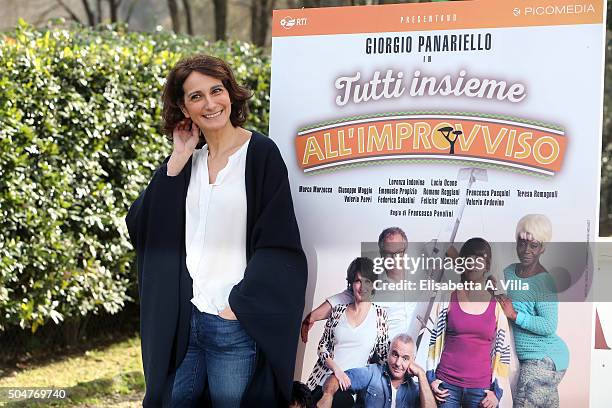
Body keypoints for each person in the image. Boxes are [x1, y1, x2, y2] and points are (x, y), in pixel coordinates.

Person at [125, 54, 307, 407]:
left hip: (232, 323)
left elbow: (278, 243)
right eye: (196, 96)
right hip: (185, 320)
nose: (210, 103)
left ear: (230, 93)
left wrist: (237, 306)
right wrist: (177, 157)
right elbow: (142, 227)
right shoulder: (188, 162)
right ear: (183, 106)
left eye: (216, 90)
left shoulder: (260, 155)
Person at [426, 238, 512, 408]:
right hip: (446, 386)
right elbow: (433, 340)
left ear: (486, 265)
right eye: (468, 259)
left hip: (480, 391)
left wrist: (497, 392)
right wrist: (432, 378)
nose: (473, 264)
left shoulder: (496, 306)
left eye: (479, 259)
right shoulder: (447, 298)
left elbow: (504, 351)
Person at [497, 214, 569, 408]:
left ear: (543, 248)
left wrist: (515, 315)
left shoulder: (544, 282)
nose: (526, 250)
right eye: (521, 243)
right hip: (529, 359)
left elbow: (548, 325)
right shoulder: (509, 272)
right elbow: (496, 290)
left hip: (543, 358)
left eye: (533, 245)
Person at [302, 227, 419, 342]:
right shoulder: (373, 282)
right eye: (388, 253)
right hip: (387, 355)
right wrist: (312, 317)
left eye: (398, 252)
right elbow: (344, 298)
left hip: (416, 352)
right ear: (381, 254)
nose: (394, 258)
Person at [307, 257, 389, 407]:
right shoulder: (338, 311)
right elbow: (322, 347)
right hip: (322, 379)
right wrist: (337, 370)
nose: (362, 286)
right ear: (351, 283)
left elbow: (384, 357)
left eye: (367, 281)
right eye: (358, 281)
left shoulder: (379, 316)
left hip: (349, 386)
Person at [317, 334, 436, 408]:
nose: (398, 363)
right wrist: (327, 396)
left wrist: (421, 374)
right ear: (388, 353)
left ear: (413, 361)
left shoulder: (416, 390)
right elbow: (336, 378)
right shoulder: (372, 373)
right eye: (395, 354)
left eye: (405, 358)